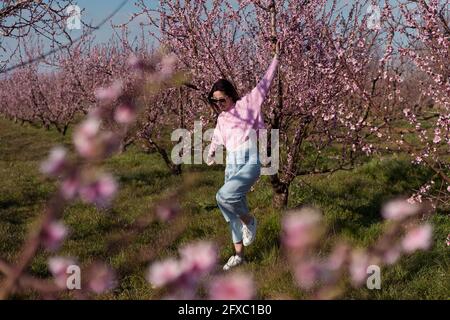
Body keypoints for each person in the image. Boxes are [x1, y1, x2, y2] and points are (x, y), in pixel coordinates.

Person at [206, 52, 279, 271]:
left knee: (223, 195)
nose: (218, 104)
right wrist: (211, 152)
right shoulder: (221, 118)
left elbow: (265, 82)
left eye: (222, 99)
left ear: (231, 95)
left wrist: (275, 56)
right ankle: (239, 255)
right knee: (226, 207)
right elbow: (218, 138)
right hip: (231, 164)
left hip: (249, 160)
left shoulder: (248, 104)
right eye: (214, 100)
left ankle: (250, 221)